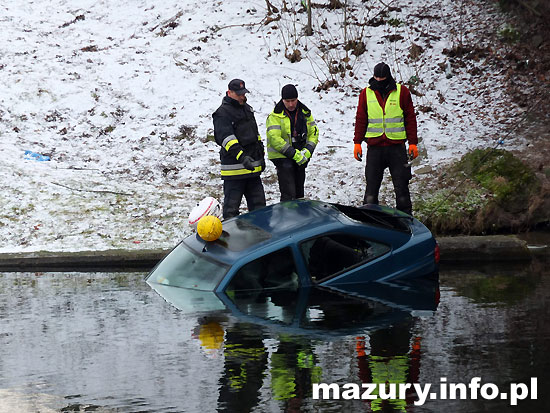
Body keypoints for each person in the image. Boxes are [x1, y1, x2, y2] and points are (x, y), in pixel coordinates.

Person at [353, 62, 418, 215]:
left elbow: (410, 118)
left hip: (397, 148)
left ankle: (406, 221)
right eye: (377, 78)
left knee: (401, 188)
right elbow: (361, 118)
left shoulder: (402, 92)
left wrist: (413, 143)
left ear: (388, 77)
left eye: (382, 78)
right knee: (371, 191)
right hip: (375, 148)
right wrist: (357, 142)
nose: (379, 81)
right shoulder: (366, 93)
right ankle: (369, 221)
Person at [213, 79, 266, 219]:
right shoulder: (222, 113)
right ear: (229, 92)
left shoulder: (247, 109)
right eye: (239, 94)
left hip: (252, 170)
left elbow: (255, 135)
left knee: (260, 208)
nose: (242, 96)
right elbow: (226, 139)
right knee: (231, 211)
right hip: (234, 171)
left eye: (243, 93)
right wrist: (242, 157)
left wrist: (261, 156)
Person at [266, 84, 319, 201]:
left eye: (293, 101)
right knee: (289, 192)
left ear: (297, 99)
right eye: (287, 101)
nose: (290, 104)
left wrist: (308, 151)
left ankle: (299, 214)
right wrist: (294, 154)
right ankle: (287, 213)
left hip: (301, 153)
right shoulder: (275, 116)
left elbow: (313, 133)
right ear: (282, 100)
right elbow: (275, 139)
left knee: (299, 191)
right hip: (282, 156)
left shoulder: (305, 113)